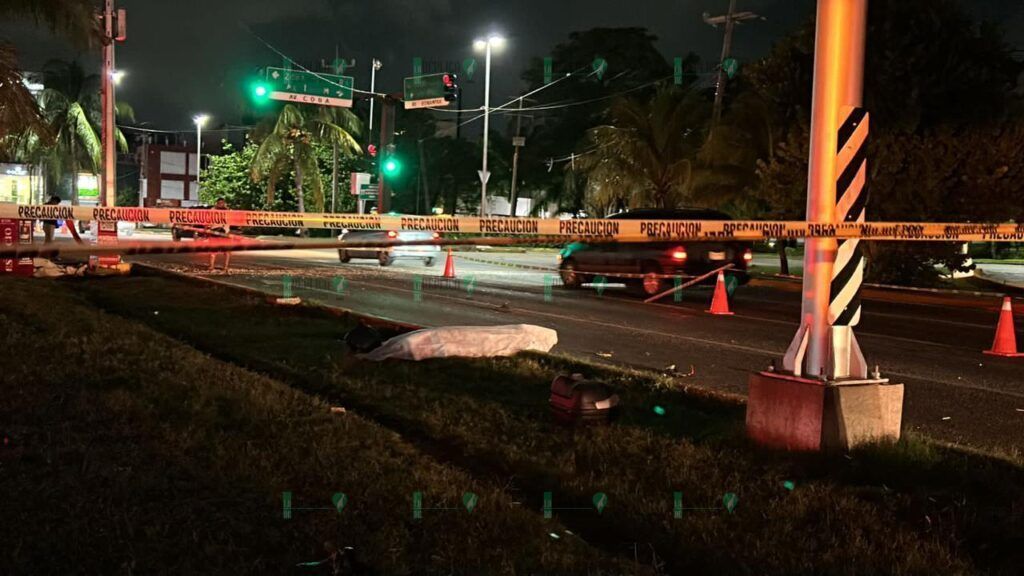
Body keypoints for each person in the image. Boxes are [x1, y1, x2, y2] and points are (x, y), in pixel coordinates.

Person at [208, 197, 231, 271]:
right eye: (219, 203)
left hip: (225, 232)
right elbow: (207, 219)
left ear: (224, 203)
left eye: (222, 203)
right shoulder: (213, 210)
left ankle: (226, 267)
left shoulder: (229, 211)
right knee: (213, 250)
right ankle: (211, 266)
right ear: (217, 203)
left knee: (226, 251)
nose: (221, 204)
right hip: (214, 232)